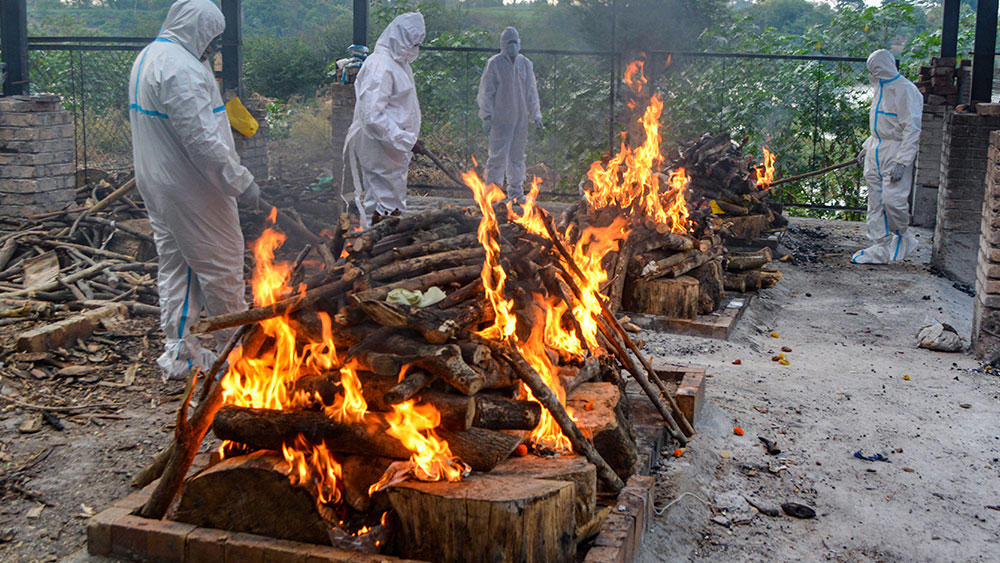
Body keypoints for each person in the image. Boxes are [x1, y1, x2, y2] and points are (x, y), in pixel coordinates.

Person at [128, 0, 259, 380]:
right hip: (194, 189)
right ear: (198, 29)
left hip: (159, 183)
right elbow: (204, 142)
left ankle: (182, 357)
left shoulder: (152, 56)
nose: (213, 47)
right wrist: (241, 183)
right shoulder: (181, 69)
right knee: (222, 268)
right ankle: (234, 360)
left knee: (178, 268)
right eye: (213, 38)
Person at [342, 12, 425, 229]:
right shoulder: (381, 65)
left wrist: (407, 139)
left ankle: (377, 246)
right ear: (399, 38)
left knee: (387, 200)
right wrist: (406, 140)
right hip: (380, 145)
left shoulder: (397, 63)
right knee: (385, 203)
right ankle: (379, 249)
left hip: (390, 146)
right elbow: (373, 118)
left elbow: (397, 107)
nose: (415, 48)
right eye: (412, 42)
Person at [852, 49, 922, 264]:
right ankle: (879, 247)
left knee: (893, 201)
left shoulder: (906, 90)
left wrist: (903, 161)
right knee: (875, 202)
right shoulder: (879, 88)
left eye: (874, 70)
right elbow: (877, 124)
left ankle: (903, 236)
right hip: (876, 150)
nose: (871, 75)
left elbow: (912, 128)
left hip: (895, 151)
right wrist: (867, 146)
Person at [477, 26, 542, 203]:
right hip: (501, 118)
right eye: (509, 43)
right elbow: (486, 92)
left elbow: (531, 92)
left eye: (515, 42)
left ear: (519, 43)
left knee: (517, 157)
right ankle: (493, 194)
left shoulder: (525, 64)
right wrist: (487, 116)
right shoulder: (495, 63)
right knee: (497, 157)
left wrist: (536, 114)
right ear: (503, 44)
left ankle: (516, 192)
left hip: (521, 119)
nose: (512, 46)